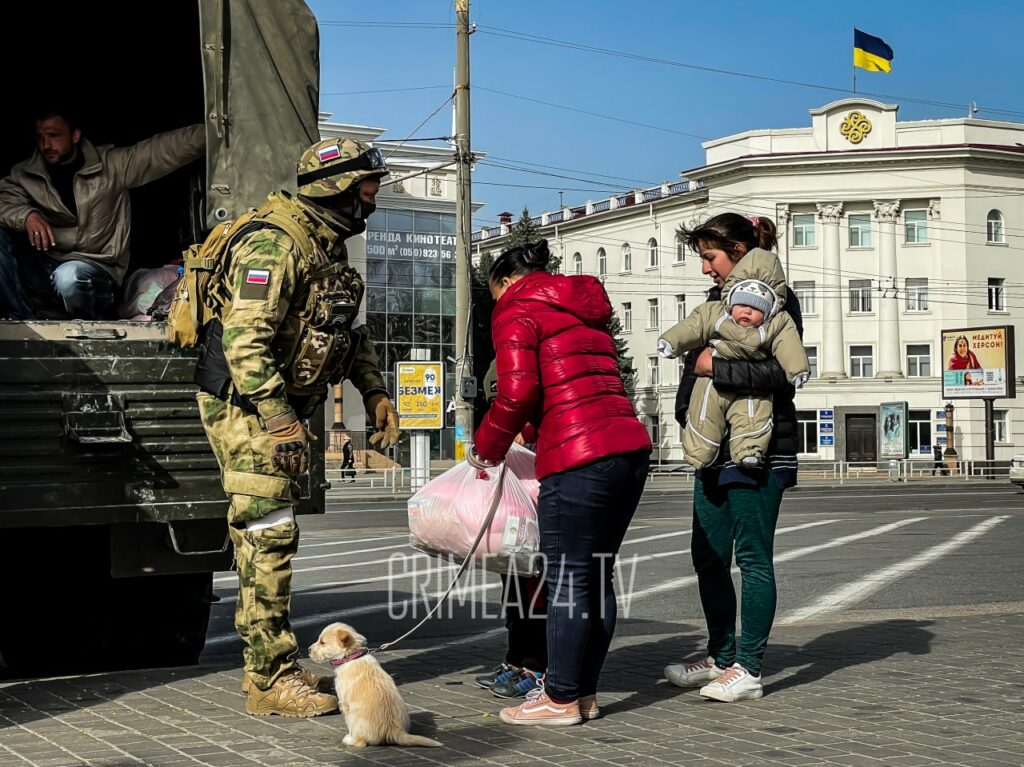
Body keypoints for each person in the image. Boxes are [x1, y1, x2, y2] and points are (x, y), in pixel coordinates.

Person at [194, 137, 401, 718]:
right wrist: (280, 418)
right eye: (367, 188)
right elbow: (244, 340)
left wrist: (376, 391)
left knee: (274, 530)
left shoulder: (323, 243)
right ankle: (268, 680)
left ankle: (276, 666)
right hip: (247, 404)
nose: (372, 198)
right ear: (337, 188)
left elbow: (342, 332)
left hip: (276, 406)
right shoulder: (276, 242)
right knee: (268, 533)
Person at [469, 239, 652, 726]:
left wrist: (485, 449)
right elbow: (570, 380)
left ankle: (560, 697)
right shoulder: (583, 304)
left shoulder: (517, 308)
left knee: (568, 579)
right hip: (629, 447)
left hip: (578, 457)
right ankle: (585, 692)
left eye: (494, 293)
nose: (496, 303)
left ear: (506, 282)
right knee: (597, 573)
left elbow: (516, 392)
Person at [663, 213, 802, 703]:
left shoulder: (778, 303)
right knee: (707, 556)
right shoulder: (716, 302)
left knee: (753, 558)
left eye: (710, 257)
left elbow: (781, 378)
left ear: (740, 251)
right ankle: (721, 656)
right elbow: (691, 364)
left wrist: (712, 365)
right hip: (712, 451)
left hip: (760, 450)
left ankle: (750, 667)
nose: (705, 269)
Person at [0, 108, 205, 319]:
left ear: (75, 136)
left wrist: (212, 133)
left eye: (54, 135)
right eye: (40, 137)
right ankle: (22, 316)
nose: (46, 145)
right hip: (46, 265)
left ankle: (90, 325)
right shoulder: (25, 174)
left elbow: (159, 151)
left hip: (95, 269)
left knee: (69, 276)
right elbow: (4, 201)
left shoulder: (111, 166)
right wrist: (26, 216)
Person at [657, 248, 808, 468]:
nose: (746, 312)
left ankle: (749, 451)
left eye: (756, 307)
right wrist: (671, 341)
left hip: (747, 385)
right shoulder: (716, 310)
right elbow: (693, 326)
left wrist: (798, 370)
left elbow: (789, 345)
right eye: (742, 304)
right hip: (714, 379)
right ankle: (699, 452)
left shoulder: (778, 321)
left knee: (753, 413)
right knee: (704, 409)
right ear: (732, 300)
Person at [473, 359, 549, 700]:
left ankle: (537, 666)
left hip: (540, 503)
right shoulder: (503, 362)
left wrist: (524, 431)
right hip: (515, 513)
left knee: (536, 590)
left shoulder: (542, 417)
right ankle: (516, 658)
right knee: (513, 587)